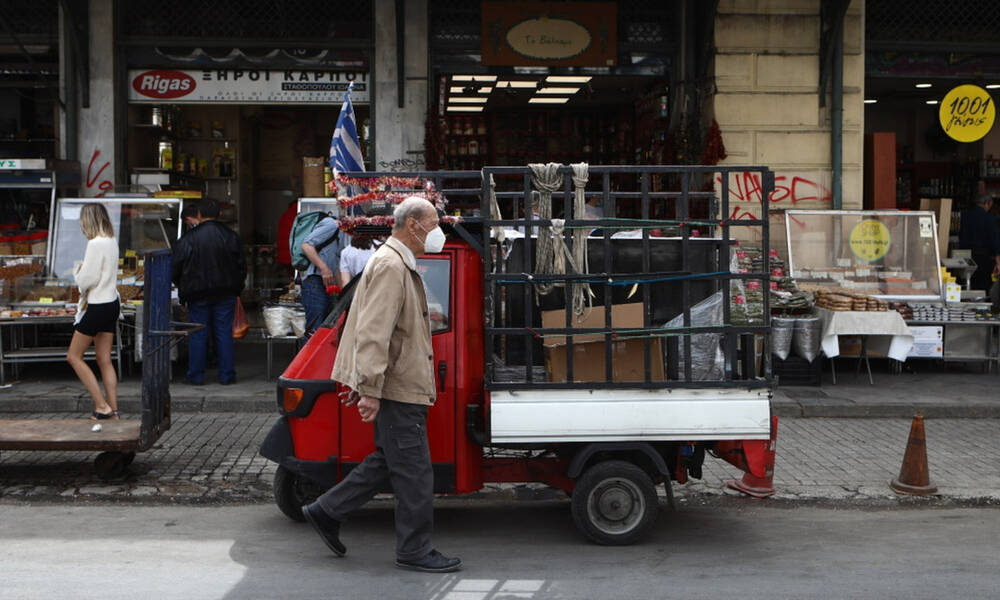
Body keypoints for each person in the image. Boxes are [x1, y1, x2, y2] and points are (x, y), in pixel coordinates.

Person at [301, 196, 461, 574]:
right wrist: (370, 388)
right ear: (413, 226)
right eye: (433, 223)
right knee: (415, 473)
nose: (437, 231)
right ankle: (414, 550)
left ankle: (326, 511)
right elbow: (375, 333)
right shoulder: (391, 265)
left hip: (396, 382)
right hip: (397, 385)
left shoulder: (396, 262)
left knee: (391, 461)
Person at [171, 199, 246, 385]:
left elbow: (176, 268)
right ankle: (227, 375)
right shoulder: (231, 236)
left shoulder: (188, 239)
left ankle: (196, 376)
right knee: (223, 333)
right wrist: (237, 288)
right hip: (226, 292)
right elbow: (241, 267)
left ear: (198, 214)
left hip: (197, 293)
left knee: (198, 333)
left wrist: (182, 286)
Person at [68, 203, 120, 420]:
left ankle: (101, 405)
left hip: (97, 305)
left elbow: (87, 279)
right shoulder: (111, 240)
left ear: (88, 220)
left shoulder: (95, 243)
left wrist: (77, 272)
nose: (80, 223)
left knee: (73, 356)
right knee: (104, 359)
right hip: (112, 302)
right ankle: (114, 410)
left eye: (82, 219)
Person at [300, 214, 347, 336]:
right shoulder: (331, 224)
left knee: (324, 332)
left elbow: (336, 263)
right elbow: (306, 245)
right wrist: (323, 268)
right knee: (314, 332)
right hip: (315, 282)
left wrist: (343, 291)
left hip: (328, 286)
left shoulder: (344, 232)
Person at [958, 194, 1000, 291]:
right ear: (987, 203)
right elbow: (995, 241)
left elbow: (961, 236)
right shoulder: (990, 219)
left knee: (968, 284)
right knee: (982, 287)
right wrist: (998, 263)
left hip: (965, 257)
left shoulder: (965, 216)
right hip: (983, 259)